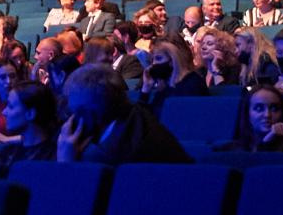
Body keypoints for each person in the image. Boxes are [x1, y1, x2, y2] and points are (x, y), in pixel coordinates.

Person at [58, 64, 191, 165]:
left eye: (72, 113)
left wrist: (66, 163)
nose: (69, 120)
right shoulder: (134, 116)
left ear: (88, 117)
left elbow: (75, 199)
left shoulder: (106, 157)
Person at [0, 79, 61, 166]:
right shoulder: (7, 153)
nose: (4, 112)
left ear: (30, 114)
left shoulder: (52, 158)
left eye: (10, 106)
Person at [219, 85, 283, 154]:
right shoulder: (230, 151)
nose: (267, 115)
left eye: (274, 109)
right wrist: (265, 143)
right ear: (247, 113)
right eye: (259, 109)